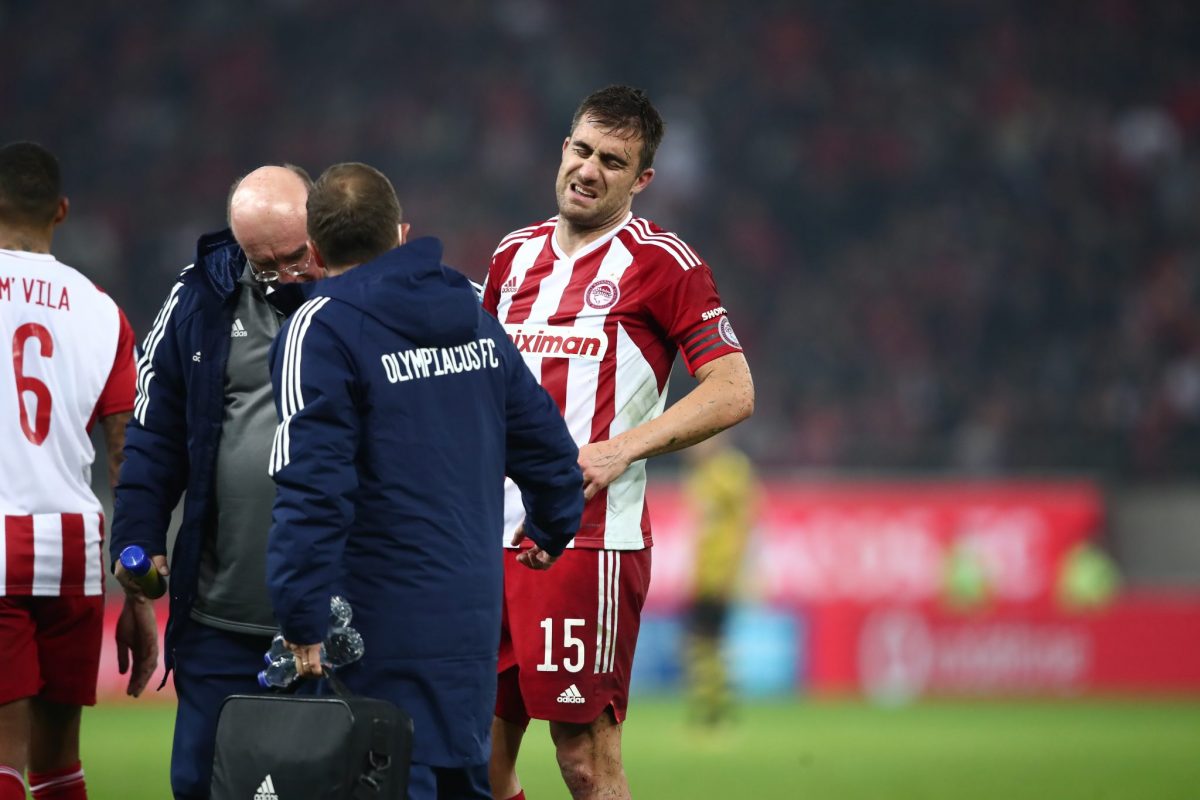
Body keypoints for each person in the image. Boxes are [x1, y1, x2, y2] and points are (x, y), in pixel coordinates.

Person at [266, 162, 584, 800]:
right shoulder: (472, 312)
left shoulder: (319, 326)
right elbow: (549, 447)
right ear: (401, 233)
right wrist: (553, 525)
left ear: (316, 252)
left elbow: (313, 488)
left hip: (374, 626)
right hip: (470, 623)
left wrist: (300, 613)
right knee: (463, 781)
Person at [482, 85, 755, 800]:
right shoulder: (513, 257)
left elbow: (734, 388)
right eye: (582, 150)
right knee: (475, 753)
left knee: (583, 759)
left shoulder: (663, 263)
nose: (589, 169)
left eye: (612, 160)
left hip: (589, 543)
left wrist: (622, 447)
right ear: (562, 149)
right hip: (488, 542)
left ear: (642, 179)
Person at [108, 165, 323, 799]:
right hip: (222, 624)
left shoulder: (362, 290)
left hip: (339, 625)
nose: (285, 275)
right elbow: (153, 432)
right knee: (202, 787)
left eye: (296, 256)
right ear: (238, 246)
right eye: (265, 263)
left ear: (321, 222)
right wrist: (138, 537)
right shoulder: (199, 297)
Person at [0, 142, 137, 800]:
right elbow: (125, 455)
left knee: (2, 755)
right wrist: (137, 590)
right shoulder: (101, 310)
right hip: (75, 548)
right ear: (61, 211)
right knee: (58, 764)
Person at [681, 433, 760, 727]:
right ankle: (712, 708)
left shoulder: (731, 469)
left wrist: (734, 571)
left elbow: (746, 523)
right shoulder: (701, 475)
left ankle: (716, 711)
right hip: (704, 574)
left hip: (721, 573)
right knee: (703, 642)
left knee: (708, 640)